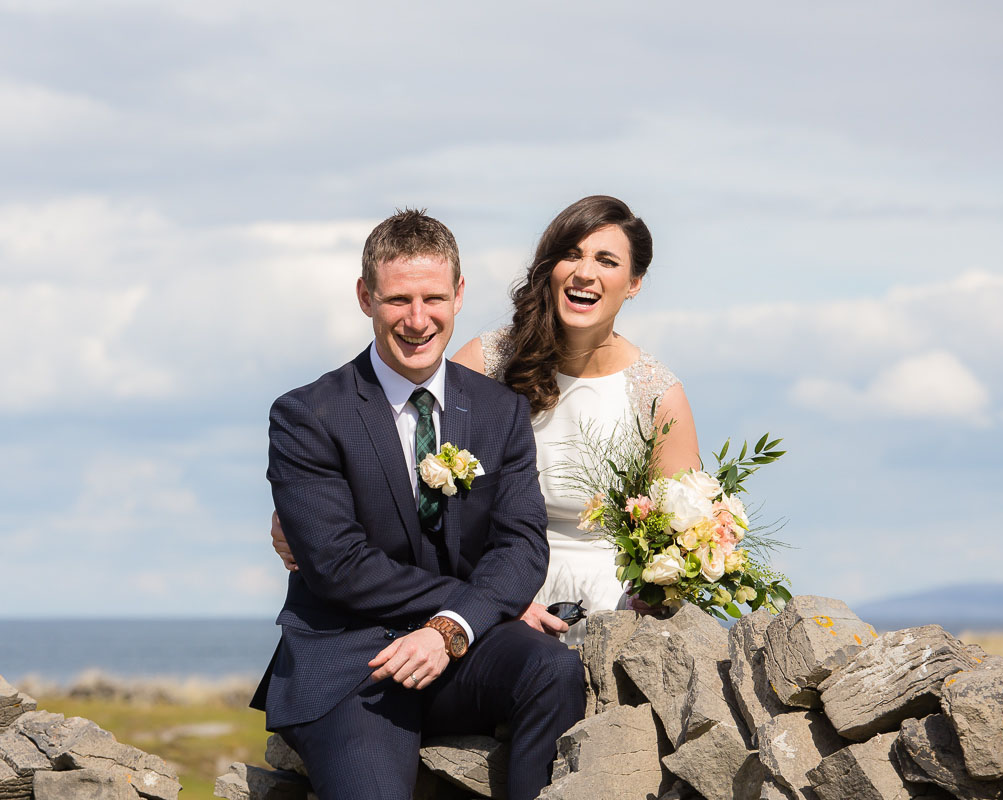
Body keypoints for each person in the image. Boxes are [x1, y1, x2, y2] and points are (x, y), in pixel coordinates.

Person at [252, 209, 585, 800]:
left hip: (462, 650)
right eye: (397, 300)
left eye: (433, 298)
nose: (416, 319)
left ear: (459, 295)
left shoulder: (498, 411)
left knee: (551, 669)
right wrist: (473, 606)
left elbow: (522, 542)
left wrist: (453, 628)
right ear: (365, 297)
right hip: (354, 665)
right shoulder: (307, 414)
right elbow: (337, 565)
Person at [272, 196, 699, 641]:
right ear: (548, 267)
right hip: (490, 595)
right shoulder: (488, 361)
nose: (585, 272)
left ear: (634, 283)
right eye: (571, 254)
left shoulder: (657, 395)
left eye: (606, 260)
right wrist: (298, 516)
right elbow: (392, 445)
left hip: (612, 605)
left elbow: (684, 533)